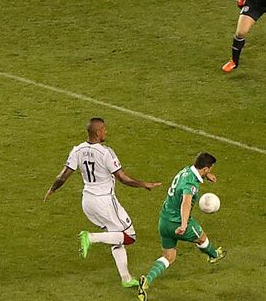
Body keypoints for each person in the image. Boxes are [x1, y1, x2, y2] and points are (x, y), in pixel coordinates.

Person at [43, 117, 161, 288]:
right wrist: (144, 184)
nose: (106, 131)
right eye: (104, 129)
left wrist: (52, 189)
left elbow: (63, 175)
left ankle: (126, 278)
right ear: (98, 133)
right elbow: (123, 178)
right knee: (129, 236)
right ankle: (91, 237)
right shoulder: (106, 153)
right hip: (104, 201)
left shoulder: (77, 150)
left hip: (87, 201)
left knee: (115, 237)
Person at [136, 153, 226, 301]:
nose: (210, 171)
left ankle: (146, 282)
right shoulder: (190, 184)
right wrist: (184, 225)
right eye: (209, 169)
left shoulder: (186, 171)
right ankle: (214, 255)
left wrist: (206, 176)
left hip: (164, 221)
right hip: (178, 223)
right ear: (204, 168)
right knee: (201, 238)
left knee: (169, 257)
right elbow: (186, 202)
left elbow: (194, 176)